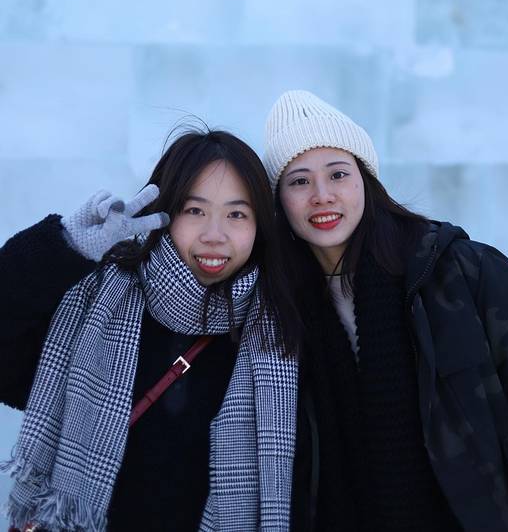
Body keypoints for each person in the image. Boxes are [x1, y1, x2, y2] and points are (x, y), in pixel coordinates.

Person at [263, 90, 508, 532]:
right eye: (299, 181)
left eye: (338, 174)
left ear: (365, 180)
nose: (322, 196)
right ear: (279, 200)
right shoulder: (281, 308)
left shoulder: (461, 272)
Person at [0, 129, 299, 532]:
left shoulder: (281, 333)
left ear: (260, 225)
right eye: (194, 210)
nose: (214, 235)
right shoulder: (97, 304)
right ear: (165, 213)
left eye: (236, 214)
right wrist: (63, 247)